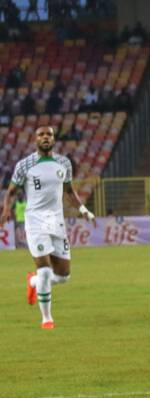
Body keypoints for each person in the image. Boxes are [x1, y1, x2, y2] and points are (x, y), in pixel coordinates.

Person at [0, 126, 96, 329]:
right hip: (35, 221)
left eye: (49, 135)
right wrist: (6, 210)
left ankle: (33, 283)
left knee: (63, 276)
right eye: (41, 135)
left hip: (56, 222)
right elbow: (11, 192)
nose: (45, 138)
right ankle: (47, 319)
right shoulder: (24, 165)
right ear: (35, 140)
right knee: (44, 270)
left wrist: (84, 210)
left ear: (53, 139)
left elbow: (69, 191)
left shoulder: (63, 163)